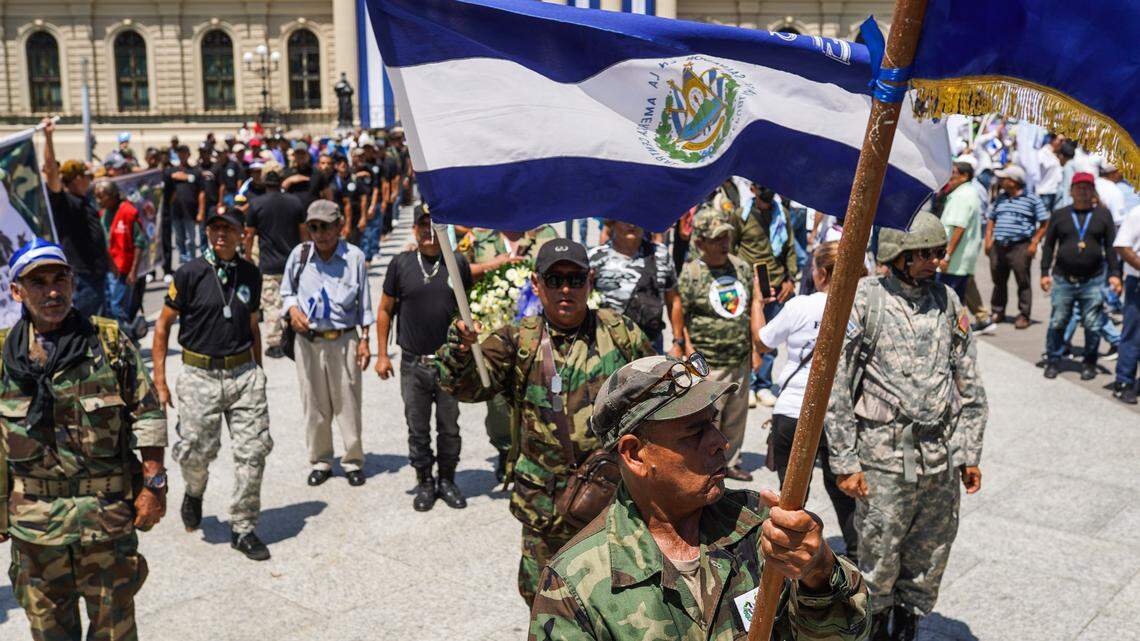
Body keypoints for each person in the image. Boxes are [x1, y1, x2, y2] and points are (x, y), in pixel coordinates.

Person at [529, 355, 869, 641]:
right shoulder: (575, 584)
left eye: (713, 423)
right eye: (694, 432)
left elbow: (848, 633)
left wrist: (819, 571)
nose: (720, 441)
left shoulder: (760, 526)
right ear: (634, 454)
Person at [436, 238, 655, 606]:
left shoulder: (620, 333)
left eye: (575, 279)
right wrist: (459, 351)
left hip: (613, 505)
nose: (565, 289)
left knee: (618, 602)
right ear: (537, 285)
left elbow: (657, 397)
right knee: (546, 605)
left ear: (590, 281)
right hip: (545, 512)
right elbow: (466, 386)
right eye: (555, 280)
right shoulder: (518, 339)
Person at [826, 213, 987, 641]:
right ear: (898, 255)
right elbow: (835, 383)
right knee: (878, 554)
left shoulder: (948, 301)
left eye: (939, 252)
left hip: (939, 457)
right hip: (883, 457)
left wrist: (969, 453)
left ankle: (907, 626)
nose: (936, 260)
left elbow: (970, 382)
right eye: (926, 253)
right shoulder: (867, 300)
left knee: (930, 556)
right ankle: (875, 627)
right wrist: (844, 461)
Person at [0, 239, 168, 641]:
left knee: (115, 632)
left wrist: (154, 485)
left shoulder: (108, 342)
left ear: (73, 283)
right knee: (49, 633)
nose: (52, 291)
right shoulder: (4, 353)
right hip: (35, 527)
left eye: (60, 279)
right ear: (17, 292)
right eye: (38, 282)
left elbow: (147, 413)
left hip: (105, 521)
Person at [152, 207, 274, 561]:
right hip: (199, 374)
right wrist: (160, 381)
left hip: (243, 375)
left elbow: (252, 325)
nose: (220, 234)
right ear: (207, 233)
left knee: (253, 452)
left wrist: (259, 371)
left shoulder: (250, 273)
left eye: (228, 228)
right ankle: (194, 491)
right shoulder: (189, 273)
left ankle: (243, 526)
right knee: (195, 453)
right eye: (214, 228)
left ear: (241, 234)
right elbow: (162, 326)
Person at [759, 240, 859, 561]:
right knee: (842, 488)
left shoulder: (799, 306)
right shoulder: (858, 309)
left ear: (822, 274)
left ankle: (792, 554)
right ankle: (857, 553)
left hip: (792, 409)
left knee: (791, 495)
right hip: (837, 413)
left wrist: (758, 305)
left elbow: (763, 342)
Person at [376, 206, 472, 510]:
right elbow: (385, 310)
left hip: (450, 364)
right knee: (417, 428)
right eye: (423, 225)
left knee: (449, 427)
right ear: (414, 229)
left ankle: (447, 480)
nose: (429, 231)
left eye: (434, 225)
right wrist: (382, 354)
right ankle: (425, 481)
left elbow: (469, 308)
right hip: (413, 363)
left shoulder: (457, 263)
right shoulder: (400, 263)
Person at [280, 200, 374, 487]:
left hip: (344, 340)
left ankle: (352, 460)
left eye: (325, 227)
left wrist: (365, 340)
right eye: (314, 227)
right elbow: (286, 291)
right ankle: (321, 460)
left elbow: (364, 305)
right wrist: (292, 310)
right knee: (314, 404)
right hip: (309, 342)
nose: (320, 234)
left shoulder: (354, 257)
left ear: (339, 226)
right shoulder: (300, 255)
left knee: (348, 403)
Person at [464, 225, 559, 480]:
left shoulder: (546, 235)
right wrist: (492, 265)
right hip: (493, 341)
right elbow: (457, 273)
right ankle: (505, 450)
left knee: (539, 398)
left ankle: (535, 454)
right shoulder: (479, 237)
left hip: (539, 339)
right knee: (497, 405)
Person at [679, 206, 761, 482]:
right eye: (716, 239)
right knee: (708, 420)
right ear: (700, 242)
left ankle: (731, 461)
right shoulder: (691, 273)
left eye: (726, 236)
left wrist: (755, 349)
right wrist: (687, 349)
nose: (724, 243)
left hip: (739, 357)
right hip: (708, 363)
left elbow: (749, 310)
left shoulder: (741, 268)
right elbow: (681, 315)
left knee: (736, 417)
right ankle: (705, 465)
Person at [1040, 172, 1121, 380]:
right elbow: (1049, 246)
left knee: (1093, 324)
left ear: (1093, 191)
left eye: (1087, 187)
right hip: (1063, 278)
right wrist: (1044, 272)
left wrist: (1115, 274)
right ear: (1071, 191)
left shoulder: (1103, 215)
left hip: (1093, 280)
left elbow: (1110, 247)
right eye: (1079, 187)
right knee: (1058, 321)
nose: (1083, 191)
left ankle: (1089, 363)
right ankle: (1053, 360)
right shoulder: (1060, 214)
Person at [730, 185, 798, 407]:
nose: (768, 189)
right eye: (762, 186)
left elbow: (789, 247)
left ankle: (763, 385)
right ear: (753, 188)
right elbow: (731, 248)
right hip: (749, 285)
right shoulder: (741, 215)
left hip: (776, 284)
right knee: (747, 337)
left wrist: (790, 279)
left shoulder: (782, 214)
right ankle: (748, 385)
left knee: (770, 339)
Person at [40, 119, 111, 318]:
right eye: (87, 176)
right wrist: (48, 137)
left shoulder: (85, 200)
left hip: (96, 272)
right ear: (77, 178)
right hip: (82, 275)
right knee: (82, 321)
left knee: (99, 321)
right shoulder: (64, 201)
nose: (90, 180)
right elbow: (52, 174)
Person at [588, 220, 684, 355]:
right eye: (626, 219)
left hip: (651, 348)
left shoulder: (661, 255)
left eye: (636, 219)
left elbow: (673, 300)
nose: (632, 224)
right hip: (607, 349)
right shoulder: (595, 258)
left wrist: (678, 342)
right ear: (612, 222)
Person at [243, 169, 307, 359]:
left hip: (269, 263)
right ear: (281, 182)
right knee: (294, 299)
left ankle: (275, 343)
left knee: (271, 304)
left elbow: (249, 235)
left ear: (265, 184)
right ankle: (294, 335)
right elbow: (303, 233)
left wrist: (247, 257)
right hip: (292, 262)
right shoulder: (295, 202)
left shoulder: (256, 204)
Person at [984, 164, 1049, 328]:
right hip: (999, 245)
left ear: (1014, 181)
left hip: (1020, 246)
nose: (1001, 181)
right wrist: (988, 239)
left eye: (1004, 178)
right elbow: (991, 219)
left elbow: (1044, 222)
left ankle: (1024, 315)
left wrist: (1034, 242)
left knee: (1023, 281)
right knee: (998, 280)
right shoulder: (1001, 197)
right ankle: (998, 311)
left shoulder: (1032, 199)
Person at [93, 180, 148, 336]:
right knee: (109, 307)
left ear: (113, 195)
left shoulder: (129, 212)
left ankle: (128, 337)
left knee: (117, 306)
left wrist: (133, 271)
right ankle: (117, 338)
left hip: (124, 269)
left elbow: (140, 242)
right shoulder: (102, 214)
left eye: (101, 196)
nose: (98, 200)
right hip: (108, 269)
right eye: (96, 196)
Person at [938, 161, 984, 303]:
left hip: (953, 262)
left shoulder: (961, 196)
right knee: (956, 302)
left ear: (964, 176)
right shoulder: (968, 192)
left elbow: (959, 228)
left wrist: (946, 257)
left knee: (947, 302)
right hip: (959, 260)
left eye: (953, 173)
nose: (949, 176)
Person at [1113, 203, 1140, 404]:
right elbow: (1122, 245)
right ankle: (1124, 382)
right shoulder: (1137, 213)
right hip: (1138, 283)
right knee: (1133, 334)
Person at [163, 145, 206, 266]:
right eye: (180, 153)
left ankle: (193, 263)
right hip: (176, 211)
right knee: (179, 240)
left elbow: (202, 193)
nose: (182, 155)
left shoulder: (196, 171)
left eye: (184, 153)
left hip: (190, 212)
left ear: (189, 154)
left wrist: (201, 211)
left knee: (191, 240)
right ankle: (183, 265)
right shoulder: (171, 171)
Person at [1036, 134, 1064, 213]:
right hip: (1045, 192)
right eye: (1061, 140)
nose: (1062, 143)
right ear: (1052, 140)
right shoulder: (1042, 153)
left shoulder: (1055, 155)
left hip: (1054, 192)